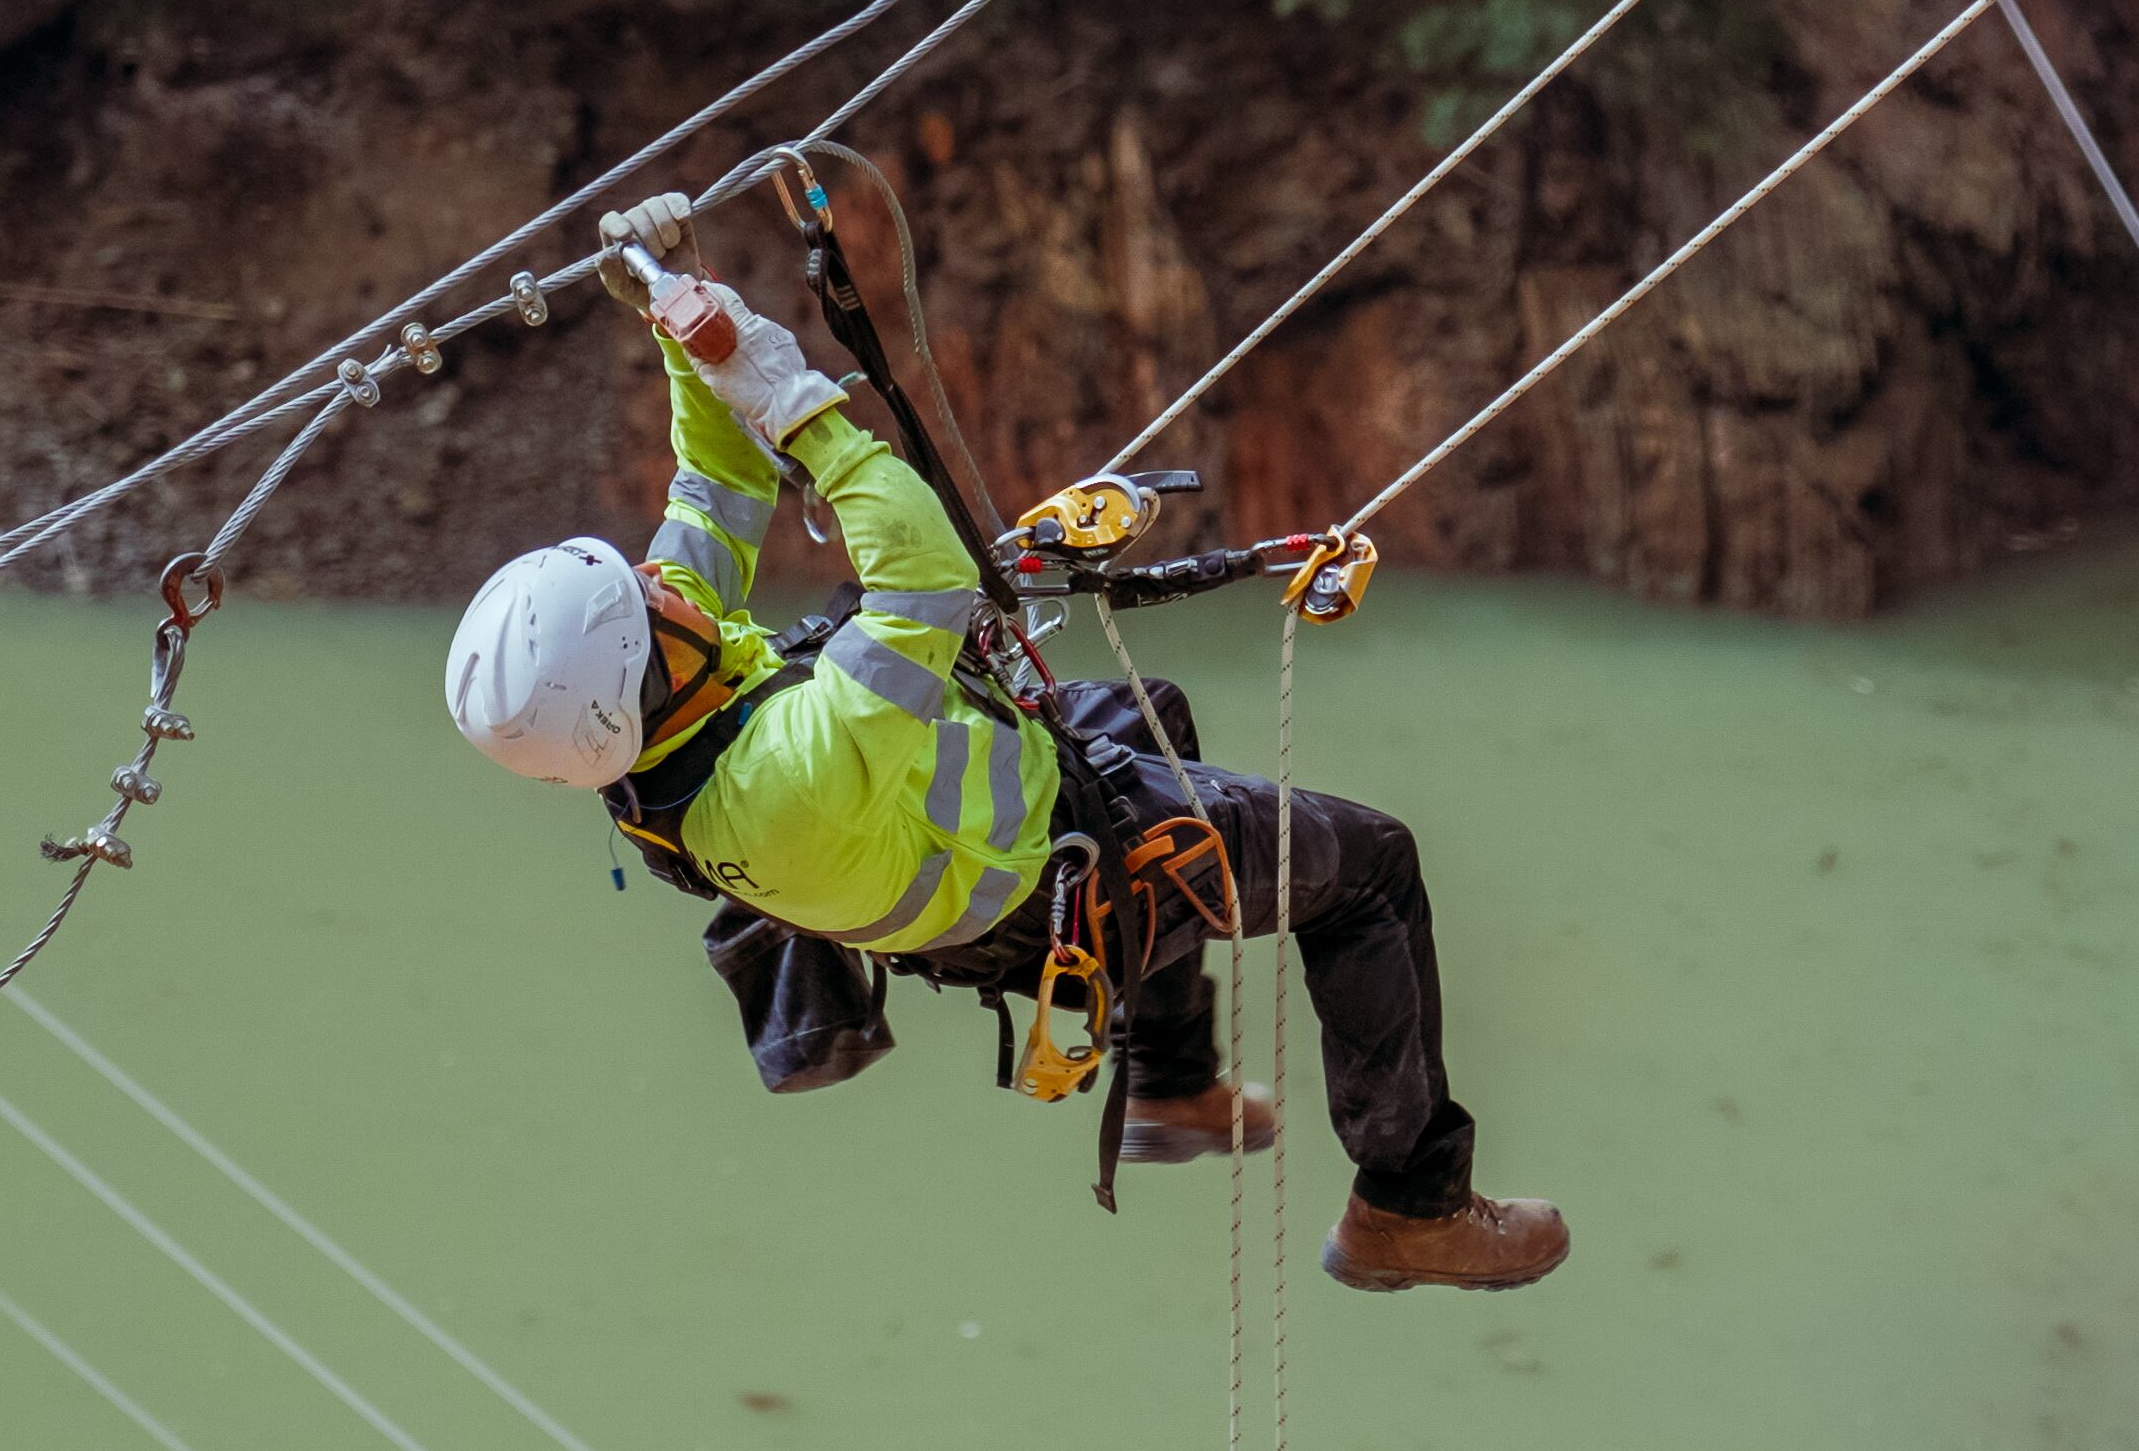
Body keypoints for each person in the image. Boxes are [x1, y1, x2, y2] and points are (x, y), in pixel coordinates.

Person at [439, 193, 1567, 1292]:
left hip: (993, 822)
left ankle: (1172, 1084)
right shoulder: (779, 783)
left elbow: (717, 487)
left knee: (1153, 713)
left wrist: (683, 323)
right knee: (1370, 870)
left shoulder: (652, 717)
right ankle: (1410, 1207)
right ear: (637, 674)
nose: (659, 581)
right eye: (645, 601)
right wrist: (801, 409)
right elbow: (922, 586)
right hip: (1038, 889)